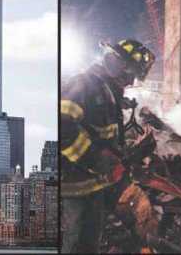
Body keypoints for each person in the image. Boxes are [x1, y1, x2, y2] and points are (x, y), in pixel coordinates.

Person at [61, 39, 157, 253]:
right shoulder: (84, 85)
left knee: (89, 244)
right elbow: (63, 126)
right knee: (74, 243)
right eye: (131, 71)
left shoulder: (106, 90)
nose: (132, 79)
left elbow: (105, 136)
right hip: (74, 187)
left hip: (94, 185)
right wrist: (96, 157)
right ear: (116, 63)